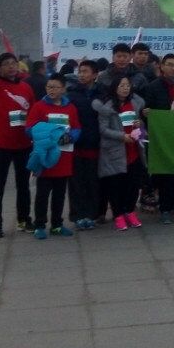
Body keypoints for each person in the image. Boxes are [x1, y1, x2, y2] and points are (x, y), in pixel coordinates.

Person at [0, 25, 36, 238]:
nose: (11, 67)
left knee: (23, 185)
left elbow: (34, 113)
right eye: (6, 64)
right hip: (1, 145)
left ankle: (24, 219)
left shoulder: (26, 87)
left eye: (14, 63)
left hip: (23, 144)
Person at [26, 73, 81, 238]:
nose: (52, 90)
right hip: (45, 158)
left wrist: (69, 138)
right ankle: (40, 225)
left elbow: (77, 128)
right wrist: (48, 136)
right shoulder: (39, 107)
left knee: (59, 194)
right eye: (49, 87)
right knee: (42, 194)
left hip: (63, 157)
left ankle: (57, 224)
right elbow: (29, 129)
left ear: (63, 89)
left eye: (56, 87)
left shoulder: (70, 108)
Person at [94, 76, 147, 230]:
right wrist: (122, 136)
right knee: (115, 186)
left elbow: (140, 124)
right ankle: (118, 215)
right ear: (115, 87)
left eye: (128, 85)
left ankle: (130, 211)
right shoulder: (107, 107)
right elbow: (103, 129)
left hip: (133, 150)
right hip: (115, 152)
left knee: (133, 185)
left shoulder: (135, 104)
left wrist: (140, 124)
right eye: (122, 85)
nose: (125, 88)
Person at [144, 53, 174, 224]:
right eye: (169, 64)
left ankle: (173, 201)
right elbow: (146, 110)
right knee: (164, 172)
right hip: (160, 136)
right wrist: (145, 113)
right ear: (162, 66)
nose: (173, 68)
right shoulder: (153, 86)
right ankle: (165, 208)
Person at [66, 60, 102, 230]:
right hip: (76, 145)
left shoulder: (102, 93)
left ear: (95, 74)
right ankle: (77, 215)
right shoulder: (71, 95)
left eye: (85, 71)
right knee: (76, 183)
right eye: (80, 71)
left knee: (93, 182)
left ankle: (92, 215)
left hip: (96, 144)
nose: (81, 74)